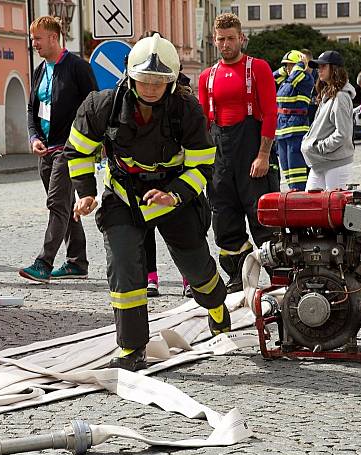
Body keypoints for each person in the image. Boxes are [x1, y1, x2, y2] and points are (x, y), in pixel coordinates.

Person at [67, 33, 229, 371]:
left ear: (170, 81)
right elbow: (78, 151)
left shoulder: (186, 109)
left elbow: (203, 164)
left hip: (172, 197)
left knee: (198, 269)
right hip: (123, 196)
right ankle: (131, 349)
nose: (151, 87)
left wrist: (175, 194)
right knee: (124, 267)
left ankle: (216, 307)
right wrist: (84, 192)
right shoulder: (101, 106)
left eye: (159, 81)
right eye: (144, 80)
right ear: (130, 76)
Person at [198, 13, 279, 294]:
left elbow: (270, 113)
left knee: (263, 219)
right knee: (224, 221)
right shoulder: (207, 76)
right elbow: (204, 123)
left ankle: (281, 278)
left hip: (252, 152)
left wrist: (263, 155)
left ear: (241, 38)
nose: (226, 44)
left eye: (231, 38)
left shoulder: (258, 68)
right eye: (221, 39)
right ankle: (238, 278)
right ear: (214, 40)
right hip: (220, 156)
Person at [19, 16, 96, 283]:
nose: (34, 44)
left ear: (54, 37)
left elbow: (93, 106)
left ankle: (43, 263)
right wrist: (32, 137)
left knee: (56, 203)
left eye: (37, 39)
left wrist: (89, 143)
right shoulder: (41, 70)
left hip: (70, 147)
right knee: (63, 207)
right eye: (32, 40)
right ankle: (77, 262)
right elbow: (31, 109)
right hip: (46, 149)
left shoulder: (77, 67)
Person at [300, 50, 356, 190]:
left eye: (323, 66)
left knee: (333, 209)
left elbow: (343, 133)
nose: (319, 70)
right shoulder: (328, 94)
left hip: (336, 163)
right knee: (312, 206)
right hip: (321, 162)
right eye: (318, 67)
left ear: (335, 69)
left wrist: (319, 147)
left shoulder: (341, 97)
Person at [273, 49, 314, 190]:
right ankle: (293, 194)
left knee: (297, 172)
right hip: (281, 130)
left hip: (296, 131)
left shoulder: (306, 79)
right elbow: (271, 79)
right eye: (286, 65)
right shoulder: (286, 81)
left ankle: (300, 196)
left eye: (290, 65)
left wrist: (301, 65)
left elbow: (295, 77)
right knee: (287, 170)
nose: (288, 68)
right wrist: (283, 70)